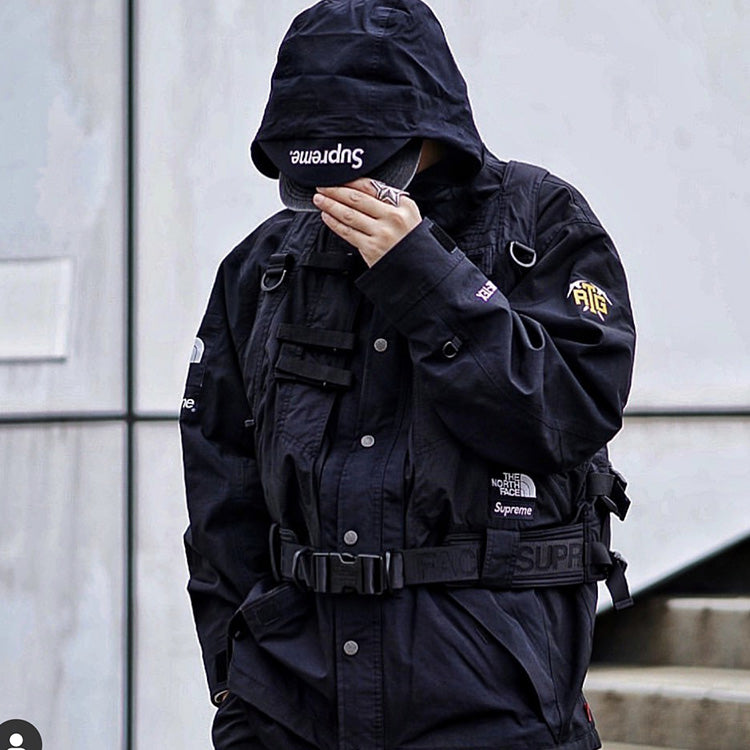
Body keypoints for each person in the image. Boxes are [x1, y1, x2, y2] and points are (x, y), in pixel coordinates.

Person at [180, 1, 636, 748]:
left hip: (493, 710)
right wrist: (234, 687)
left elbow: (568, 414)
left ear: (432, 127)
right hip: (289, 711)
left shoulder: (543, 224)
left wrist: (422, 272)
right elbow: (218, 489)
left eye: (367, 157)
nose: (347, 185)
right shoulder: (262, 265)